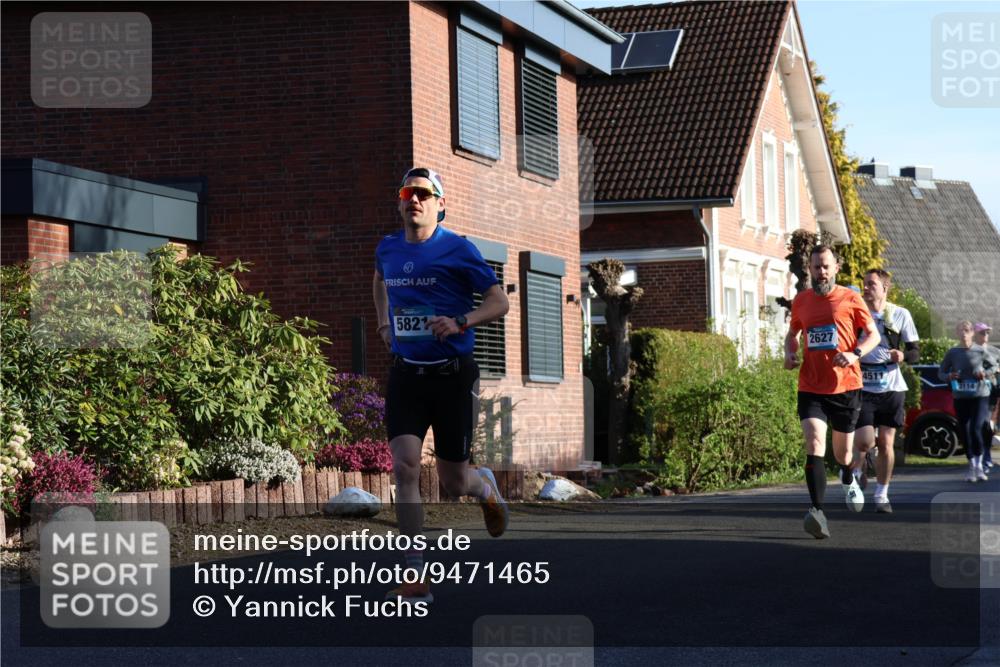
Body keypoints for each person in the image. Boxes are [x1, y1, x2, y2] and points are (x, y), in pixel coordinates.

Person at [373, 167, 510, 602]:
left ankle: (482, 485)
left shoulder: (458, 249)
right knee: (405, 466)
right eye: (407, 192)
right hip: (407, 374)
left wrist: (460, 321)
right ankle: (416, 574)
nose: (414, 199)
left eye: (424, 194)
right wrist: (382, 323)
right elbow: (379, 280)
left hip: (452, 378)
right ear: (399, 202)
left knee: (454, 484)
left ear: (440, 205)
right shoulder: (388, 248)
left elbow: (499, 300)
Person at [785, 245, 881, 539]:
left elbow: (873, 335)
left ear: (835, 267)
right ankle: (817, 512)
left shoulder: (850, 298)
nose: (821, 272)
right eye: (816, 267)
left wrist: (855, 354)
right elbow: (793, 334)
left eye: (825, 266)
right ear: (810, 270)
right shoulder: (801, 301)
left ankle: (849, 475)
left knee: (842, 454)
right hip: (811, 386)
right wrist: (790, 353)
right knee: (814, 441)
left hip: (845, 386)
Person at [850, 269, 919, 514]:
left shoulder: (900, 314)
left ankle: (881, 494)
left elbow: (914, 351)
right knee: (864, 441)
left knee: (887, 442)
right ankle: (860, 466)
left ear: (884, 288)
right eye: (864, 284)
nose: (866, 288)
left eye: (871, 284)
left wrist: (903, 355)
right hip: (862, 384)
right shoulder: (856, 313)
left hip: (891, 385)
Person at [938, 321, 995, 483]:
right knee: (965, 429)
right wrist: (949, 376)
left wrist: (984, 372)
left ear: (972, 334)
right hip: (961, 396)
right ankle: (971, 465)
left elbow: (994, 365)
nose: (964, 333)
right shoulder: (953, 353)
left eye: (967, 330)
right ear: (957, 333)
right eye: (960, 330)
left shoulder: (980, 351)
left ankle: (979, 465)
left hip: (980, 395)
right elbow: (940, 372)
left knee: (977, 428)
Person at [972, 322, 999, 472]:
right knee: (977, 425)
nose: (985, 336)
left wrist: (992, 372)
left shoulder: (994, 352)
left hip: (991, 393)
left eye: (987, 333)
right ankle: (979, 458)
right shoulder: (969, 350)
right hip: (973, 393)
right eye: (982, 333)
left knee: (987, 426)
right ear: (975, 335)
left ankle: (986, 455)